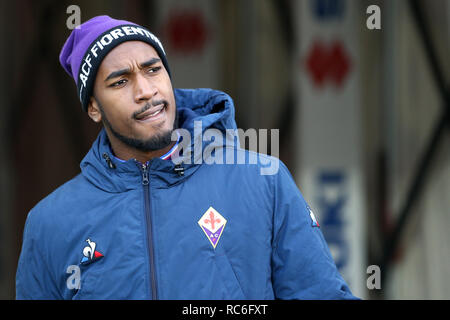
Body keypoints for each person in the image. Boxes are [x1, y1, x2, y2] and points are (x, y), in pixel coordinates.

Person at [15, 15, 358, 300]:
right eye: (120, 82)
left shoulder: (263, 180)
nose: (145, 91)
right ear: (93, 107)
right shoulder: (49, 223)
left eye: (153, 70)